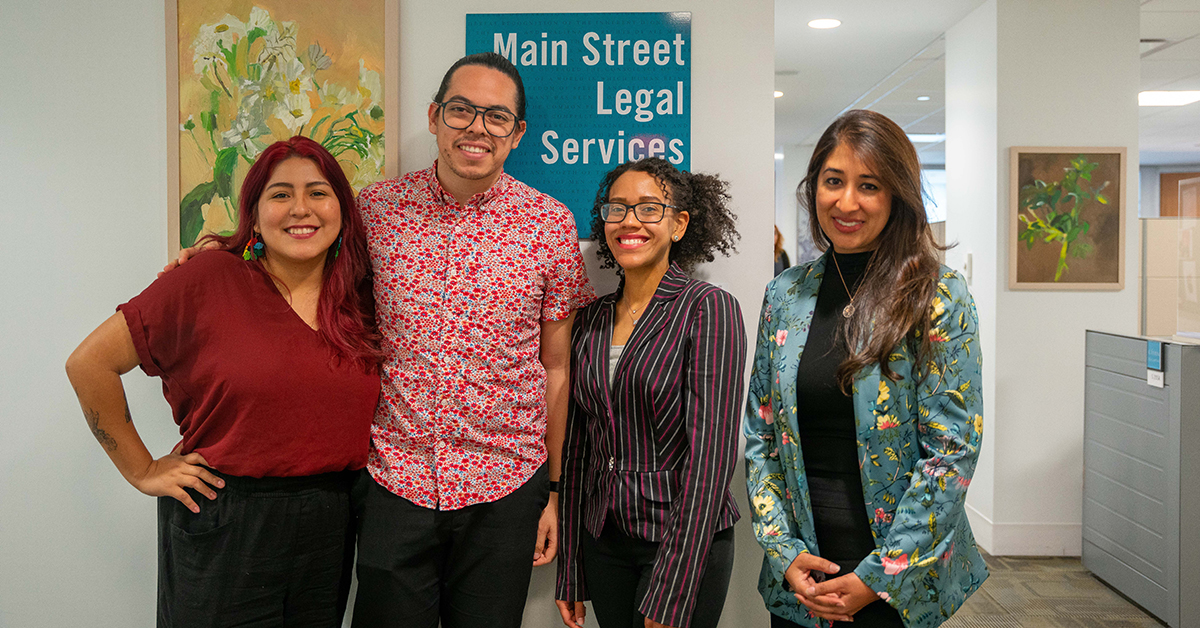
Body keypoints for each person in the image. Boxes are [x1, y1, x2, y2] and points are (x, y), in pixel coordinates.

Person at [65, 136, 381, 627]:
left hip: (330, 523)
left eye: (318, 192)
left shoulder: (362, 298)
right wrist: (143, 470)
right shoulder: (207, 278)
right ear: (254, 214)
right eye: (280, 194)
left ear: (342, 209)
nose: (301, 208)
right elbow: (88, 364)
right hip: (224, 518)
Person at [348, 52, 595, 627]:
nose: (476, 127)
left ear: (517, 133)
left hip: (506, 485)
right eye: (461, 110)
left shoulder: (548, 223)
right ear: (435, 116)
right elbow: (311, 287)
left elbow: (557, 369)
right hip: (395, 477)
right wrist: (234, 251)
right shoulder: (375, 212)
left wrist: (554, 490)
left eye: (496, 116)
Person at [743, 109, 988, 628]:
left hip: (897, 581)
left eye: (869, 185)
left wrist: (877, 575)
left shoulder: (937, 296)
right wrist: (784, 552)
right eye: (834, 181)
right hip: (801, 578)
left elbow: (952, 454)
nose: (846, 202)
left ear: (897, 196)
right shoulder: (785, 294)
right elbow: (760, 436)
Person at [555, 157, 746, 628]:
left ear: (679, 224)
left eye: (648, 209)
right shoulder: (591, 318)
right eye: (616, 209)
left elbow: (712, 458)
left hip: (682, 541)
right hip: (605, 540)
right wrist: (571, 571)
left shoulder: (708, 308)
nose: (629, 222)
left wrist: (673, 588)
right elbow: (580, 446)